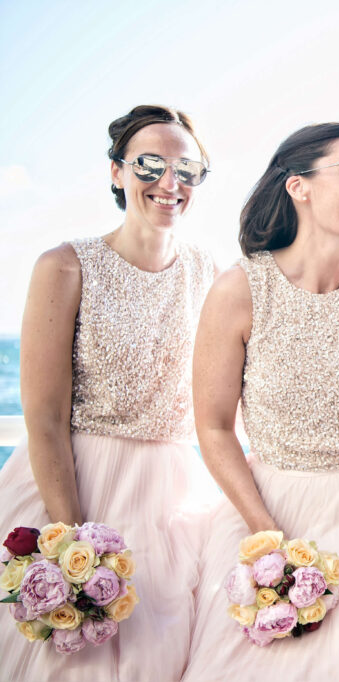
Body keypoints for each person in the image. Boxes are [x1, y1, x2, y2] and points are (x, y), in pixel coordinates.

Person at [181, 122, 339, 681]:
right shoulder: (240, 288)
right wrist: (268, 537)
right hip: (271, 508)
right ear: (299, 186)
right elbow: (213, 428)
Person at [0, 104, 217, 681]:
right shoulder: (65, 266)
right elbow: (43, 417)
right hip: (75, 487)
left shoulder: (209, 272)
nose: (170, 182)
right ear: (117, 172)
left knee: (161, 655)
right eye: (150, 164)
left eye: (188, 169)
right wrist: (74, 546)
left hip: (174, 500)